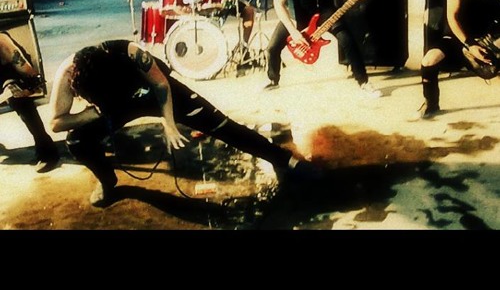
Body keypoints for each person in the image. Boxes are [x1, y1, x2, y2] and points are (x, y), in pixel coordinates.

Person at [47, 39, 321, 208]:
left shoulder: (130, 53)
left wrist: (168, 121)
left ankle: (284, 160)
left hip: (153, 91)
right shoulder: (68, 74)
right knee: (78, 141)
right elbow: (56, 123)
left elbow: (161, 85)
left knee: (221, 125)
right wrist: (94, 112)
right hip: (111, 107)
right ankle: (108, 181)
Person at [263, 0, 382, 97]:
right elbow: (278, 3)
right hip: (300, 15)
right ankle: (273, 80)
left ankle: (363, 82)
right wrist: (293, 31)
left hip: (326, 12)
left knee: (347, 40)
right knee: (272, 48)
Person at [413, 0, 500, 119]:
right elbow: (452, 18)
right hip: (459, 36)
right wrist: (470, 45)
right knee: (429, 60)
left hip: (488, 35)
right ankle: (431, 103)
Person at [0, 31, 60, 172]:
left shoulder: (1, 42)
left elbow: (30, 73)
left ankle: (47, 150)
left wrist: (29, 88)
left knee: (16, 96)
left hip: (12, 78)